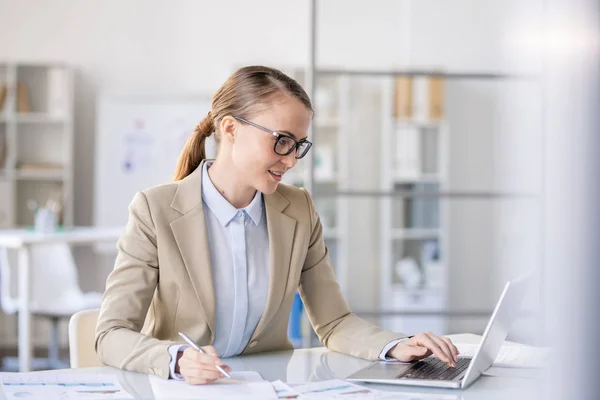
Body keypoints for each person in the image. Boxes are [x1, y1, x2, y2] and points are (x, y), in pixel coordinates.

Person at [95, 65, 459, 384]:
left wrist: (396, 345)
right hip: (183, 390)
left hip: (267, 388)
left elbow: (334, 322)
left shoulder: (298, 209)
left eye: (298, 145)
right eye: (281, 141)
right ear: (231, 128)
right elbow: (111, 333)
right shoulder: (155, 210)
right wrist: (175, 361)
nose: (290, 160)